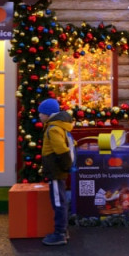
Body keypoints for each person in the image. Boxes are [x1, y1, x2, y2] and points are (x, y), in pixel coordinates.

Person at [38, 99, 74, 246]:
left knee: (58, 202)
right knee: (61, 200)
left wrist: (66, 166)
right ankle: (63, 230)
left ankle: (59, 233)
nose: (39, 115)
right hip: (58, 170)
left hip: (55, 170)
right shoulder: (59, 126)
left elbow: (61, 149)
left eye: (41, 113)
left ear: (48, 114)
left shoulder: (53, 128)